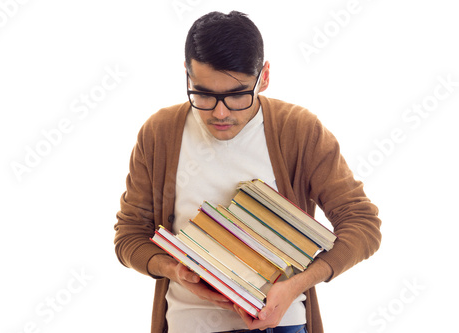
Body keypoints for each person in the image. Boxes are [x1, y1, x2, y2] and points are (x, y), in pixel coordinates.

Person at [114, 10, 381, 333]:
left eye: (237, 94)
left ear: (264, 76)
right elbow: (129, 235)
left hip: (281, 325)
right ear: (187, 75)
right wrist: (174, 270)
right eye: (204, 94)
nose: (220, 112)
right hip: (190, 323)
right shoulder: (160, 133)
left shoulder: (298, 130)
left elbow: (362, 223)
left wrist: (298, 283)